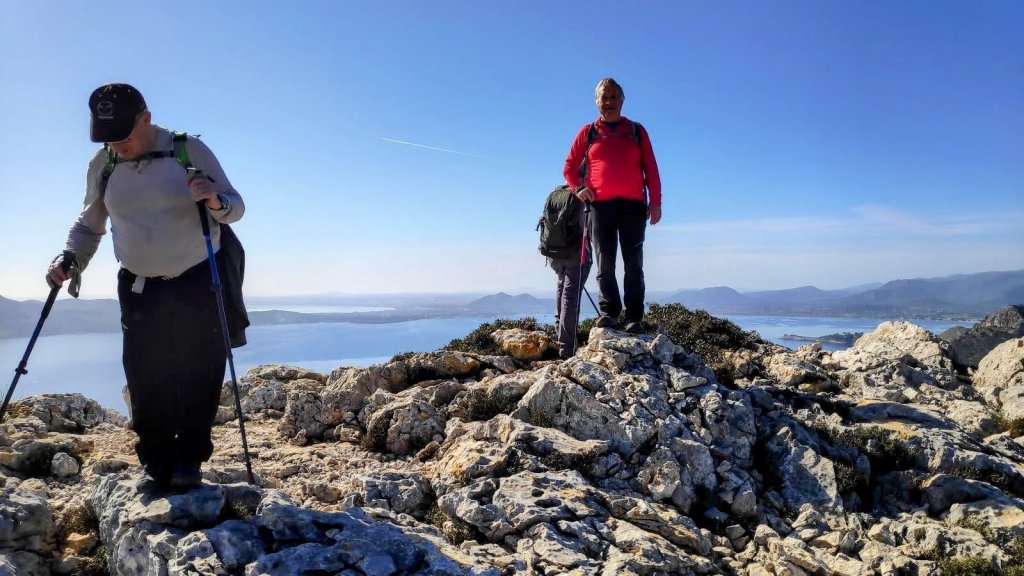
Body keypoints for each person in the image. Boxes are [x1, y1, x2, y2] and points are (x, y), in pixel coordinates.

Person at [46, 83, 245, 490]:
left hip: (198, 279)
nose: (116, 144)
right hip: (138, 285)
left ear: (146, 119)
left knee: (199, 370)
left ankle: (190, 457)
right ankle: (155, 459)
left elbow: (235, 206)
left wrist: (213, 200)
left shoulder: (187, 150)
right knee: (143, 373)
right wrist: (69, 258)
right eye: (107, 137)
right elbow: (89, 224)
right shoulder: (103, 163)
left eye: (124, 134)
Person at [563, 78, 661, 333]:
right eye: (603, 98)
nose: (608, 102)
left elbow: (650, 167)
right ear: (597, 102)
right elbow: (569, 168)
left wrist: (656, 203)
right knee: (604, 261)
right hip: (600, 207)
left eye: (613, 97)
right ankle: (610, 312)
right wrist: (578, 189)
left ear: (622, 100)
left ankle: (634, 317)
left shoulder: (636, 131)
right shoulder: (588, 132)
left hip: (634, 206)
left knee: (633, 262)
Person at [545, 186, 591, 359]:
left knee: (561, 289)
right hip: (575, 253)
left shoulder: (556, 192)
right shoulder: (583, 194)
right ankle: (566, 349)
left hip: (555, 254)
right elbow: (588, 225)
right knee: (570, 298)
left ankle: (560, 342)